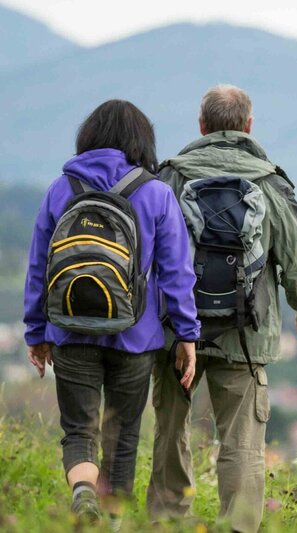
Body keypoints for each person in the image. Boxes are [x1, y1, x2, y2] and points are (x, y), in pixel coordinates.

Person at [147, 84, 297, 532]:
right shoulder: (268, 181)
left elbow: (145, 250)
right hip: (246, 333)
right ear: (248, 126)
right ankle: (238, 526)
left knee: (171, 432)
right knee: (242, 443)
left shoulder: (171, 176)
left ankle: (168, 524)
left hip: (174, 331)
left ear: (201, 127)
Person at [23, 100, 200, 525]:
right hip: (135, 337)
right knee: (122, 441)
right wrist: (187, 334)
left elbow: (39, 266)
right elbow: (177, 272)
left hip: (69, 331)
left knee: (80, 431)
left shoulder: (60, 189)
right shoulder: (156, 193)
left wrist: (36, 331)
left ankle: (83, 490)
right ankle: (115, 523)